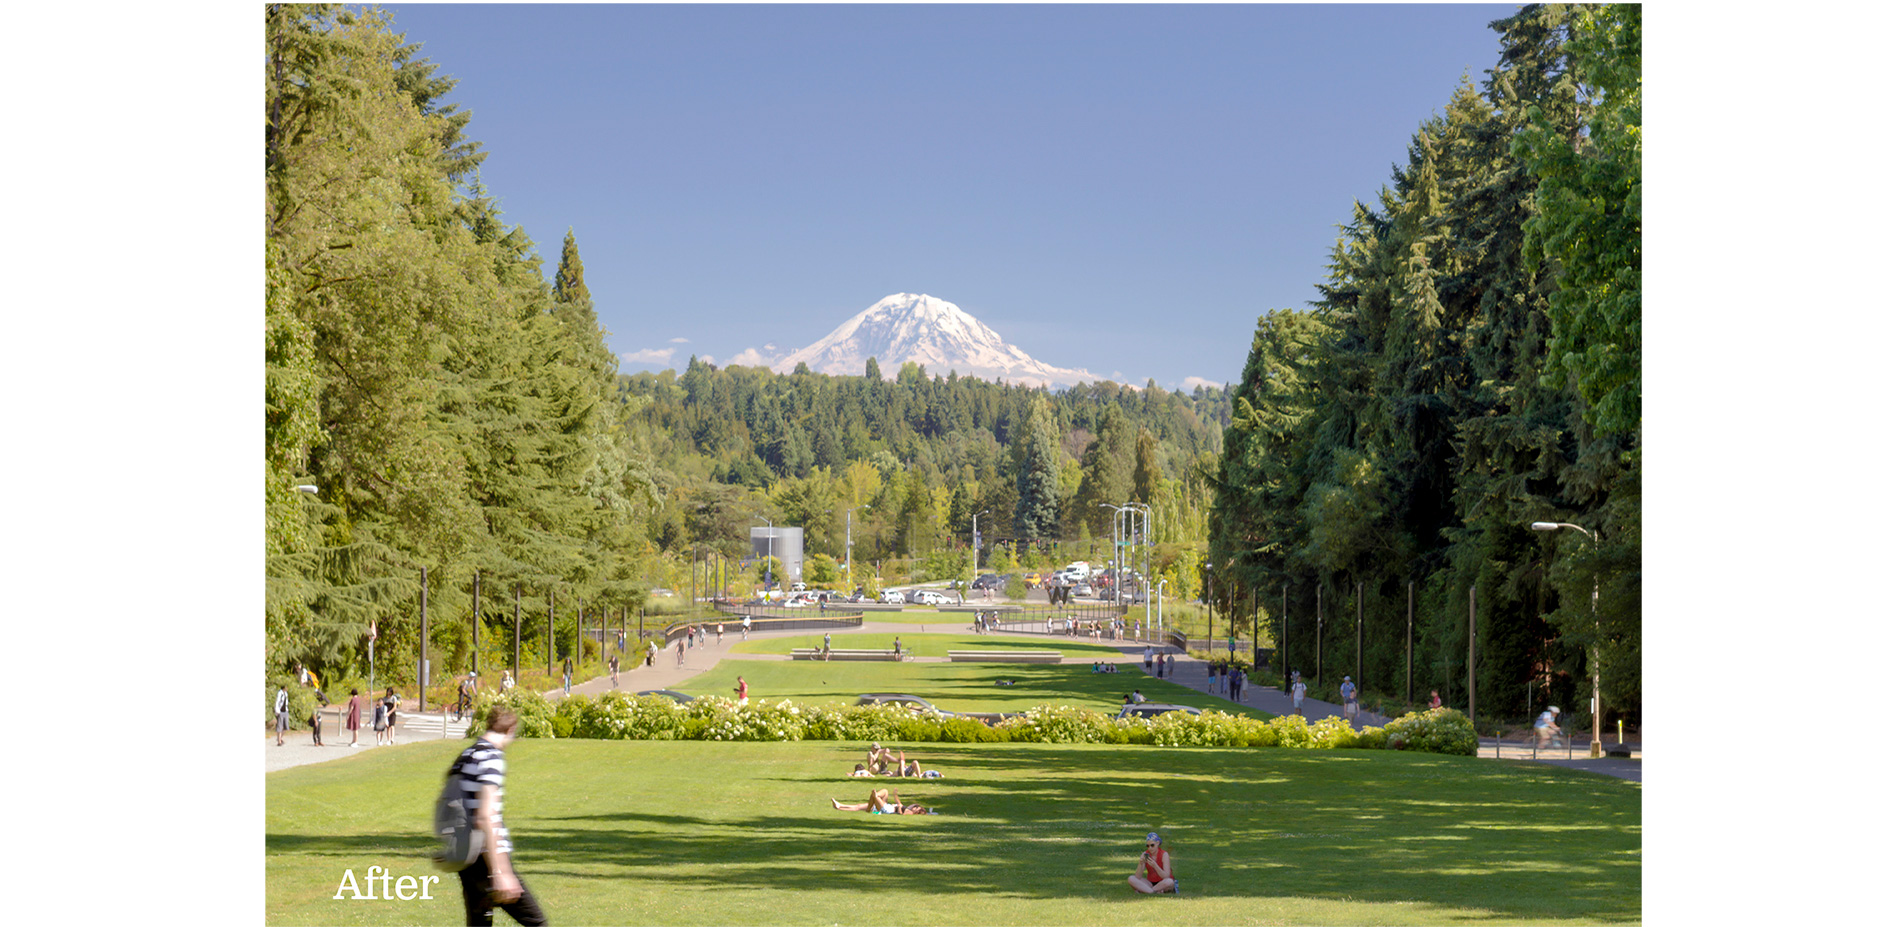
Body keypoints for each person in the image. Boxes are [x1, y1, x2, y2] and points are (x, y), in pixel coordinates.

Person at [449, 706, 548, 926]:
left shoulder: (467, 755)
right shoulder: (491, 757)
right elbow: (486, 816)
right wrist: (500, 871)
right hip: (486, 856)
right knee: (537, 922)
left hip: (465, 857)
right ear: (510, 729)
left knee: (480, 923)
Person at [830, 788, 929, 814]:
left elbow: (900, 814)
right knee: (885, 791)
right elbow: (899, 803)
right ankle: (839, 806)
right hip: (888, 806)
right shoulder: (909, 809)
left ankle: (874, 797)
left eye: (917, 808)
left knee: (875, 797)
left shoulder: (910, 813)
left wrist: (899, 808)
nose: (914, 807)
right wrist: (895, 795)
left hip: (887, 810)